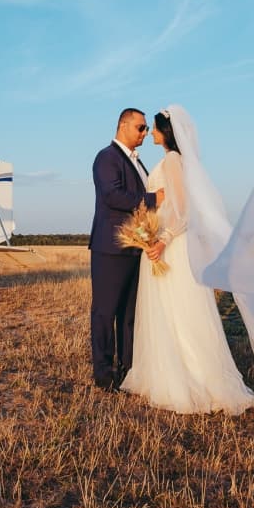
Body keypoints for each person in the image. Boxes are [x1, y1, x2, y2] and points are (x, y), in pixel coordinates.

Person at [120, 106, 254, 414]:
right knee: (172, 310)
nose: (150, 133)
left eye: (153, 128)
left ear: (165, 132)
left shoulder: (171, 161)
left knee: (177, 310)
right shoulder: (177, 161)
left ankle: (186, 379)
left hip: (171, 245)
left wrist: (162, 240)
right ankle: (172, 373)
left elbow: (182, 210)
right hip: (166, 242)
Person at [89, 108, 164, 391]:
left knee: (130, 315)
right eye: (140, 127)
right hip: (110, 248)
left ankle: (129, 368)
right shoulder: (106, 158)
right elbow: (112, 195)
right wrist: (152, 199)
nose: (145, 133)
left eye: (146, 129)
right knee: (105, 312)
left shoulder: (139, 164)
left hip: (135, 250)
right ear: (123, 126)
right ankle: (104, 374)